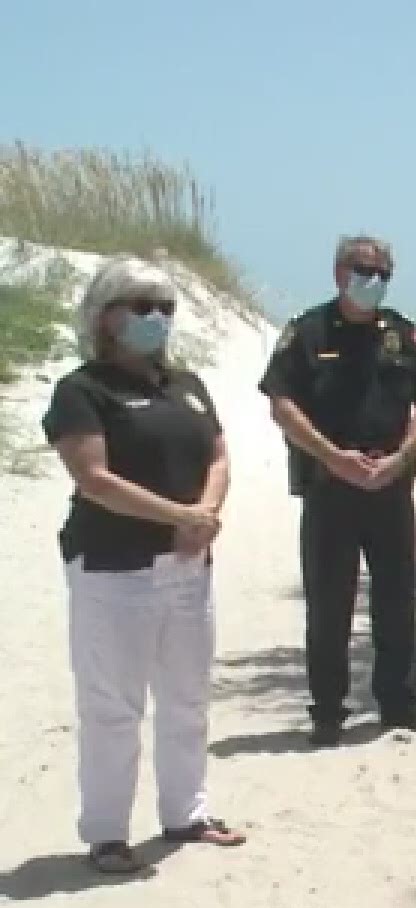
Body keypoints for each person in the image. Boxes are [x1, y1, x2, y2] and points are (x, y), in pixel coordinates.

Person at [43, 257, 246, 874]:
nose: (156, 319)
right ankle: (107, 832)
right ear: (107, 316)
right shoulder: (83, 389)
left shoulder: (183, 383)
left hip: (187, 568)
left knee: (187, 697)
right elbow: (94, 478)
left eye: (165, 308)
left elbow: (218, 454)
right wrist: (177, 517)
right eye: (141, 307)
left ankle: (186, 812)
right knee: (114, 705)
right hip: (113, 568)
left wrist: (204, 513)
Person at [259, 235, 416, 746]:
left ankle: (399, 703)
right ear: (340, 272)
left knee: (397, 596)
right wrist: (331, 456)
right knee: (328, 601)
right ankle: (327, 709)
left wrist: (402, 458)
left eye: (384, 273)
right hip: (329, 488)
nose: (375, 281)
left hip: (391, 485)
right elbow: (281, 404)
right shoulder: (306, 330)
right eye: (365, 270)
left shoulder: (402, 334)